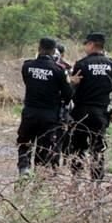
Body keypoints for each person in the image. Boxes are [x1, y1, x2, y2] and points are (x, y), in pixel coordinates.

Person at [68, 32, 112, 181]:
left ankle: (77, 178)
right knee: (98, 147)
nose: (85, 47)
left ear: (92, 44)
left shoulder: (81, 64)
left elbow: (72, 90)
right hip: (101, 113)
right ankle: (97, 182)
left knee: (78, 146)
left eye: (86, 44)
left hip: (81, 112)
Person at [17, 37, 74, 177]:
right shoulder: (59, 70)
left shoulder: (27, 66)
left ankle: (24, 169)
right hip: (49, 116)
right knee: (44, 146)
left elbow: (28, 83)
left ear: (39, 48)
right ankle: (39, 174)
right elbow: (68, 95)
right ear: (54, 51)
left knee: (24, 142)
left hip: (30, 112)